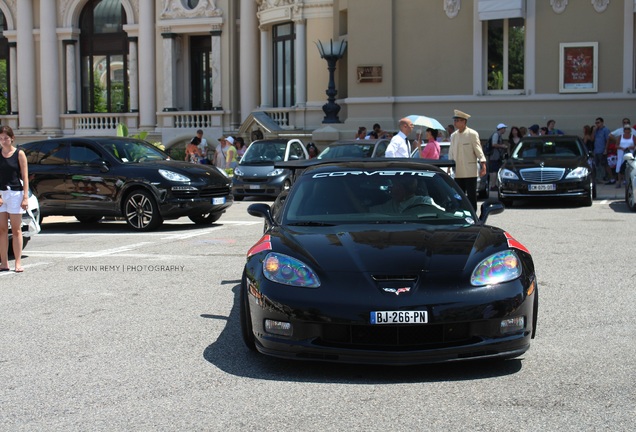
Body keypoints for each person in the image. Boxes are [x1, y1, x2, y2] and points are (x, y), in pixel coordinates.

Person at [0, 125, 29, 273]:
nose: (3, 141)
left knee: (16, 229)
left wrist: (25, 197)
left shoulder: (19, 154)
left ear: (12, 138)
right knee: (2, 229)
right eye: (0, 139)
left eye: (6, 138)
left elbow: (24, 176)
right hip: (1, 194)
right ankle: (4, 262)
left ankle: (18, 262)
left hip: (15, 194)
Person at [448, 109, 487, 210]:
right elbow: (451, 152)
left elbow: (478, 150)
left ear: (464, 121)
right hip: (458, 171)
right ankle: (461, 212)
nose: (455, 123)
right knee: (459, 195)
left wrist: (483, 165)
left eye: (457, 120)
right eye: (455, 120)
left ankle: (473, 214)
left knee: (471, 195)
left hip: (470, 171)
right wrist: (448, 166)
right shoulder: (453, 136)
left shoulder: (472, 134)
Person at [487, 123, 508, 191]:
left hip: (496, 156)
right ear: (501, 129)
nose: (505, 130)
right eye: (504, 128)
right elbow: (494, 144)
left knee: (495, 170)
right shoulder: (496, 135)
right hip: (494, 156)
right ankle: (493, 185)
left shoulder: (499, 135)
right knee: (494, 171)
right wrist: (502, 146)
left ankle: (494, 185)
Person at [593, 117, 611, 182]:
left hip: (602, 150)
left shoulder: (605, 130)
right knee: (597, 165)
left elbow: (608, 140)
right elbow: (592, 139)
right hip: (596, 150)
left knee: (605, 164)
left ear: (602, 122)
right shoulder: (596, 131)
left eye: (598, 123)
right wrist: (594, 131)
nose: (597, 124)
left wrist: (606, 149)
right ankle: (599, 178)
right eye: (596, 123)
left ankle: (610, 177)